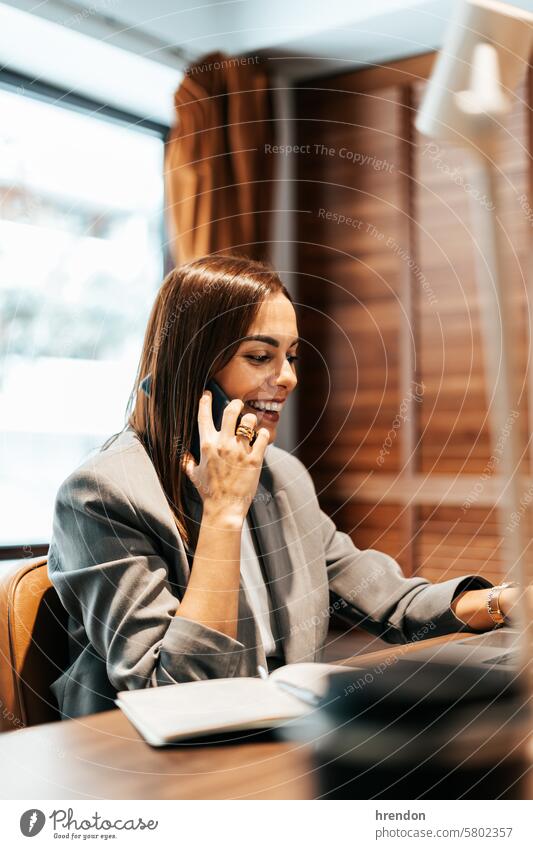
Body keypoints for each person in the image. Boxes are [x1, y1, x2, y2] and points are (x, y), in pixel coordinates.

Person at [47, 254, 518, 720]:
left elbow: (392, 602)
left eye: (290, 355)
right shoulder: (101, 494)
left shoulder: (282, 476)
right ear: (190, 368)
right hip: (157, 769)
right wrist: (224, 513)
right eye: (259, 356)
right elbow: (175, 690)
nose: (288, 377)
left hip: (276, 742)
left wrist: (505, 601)